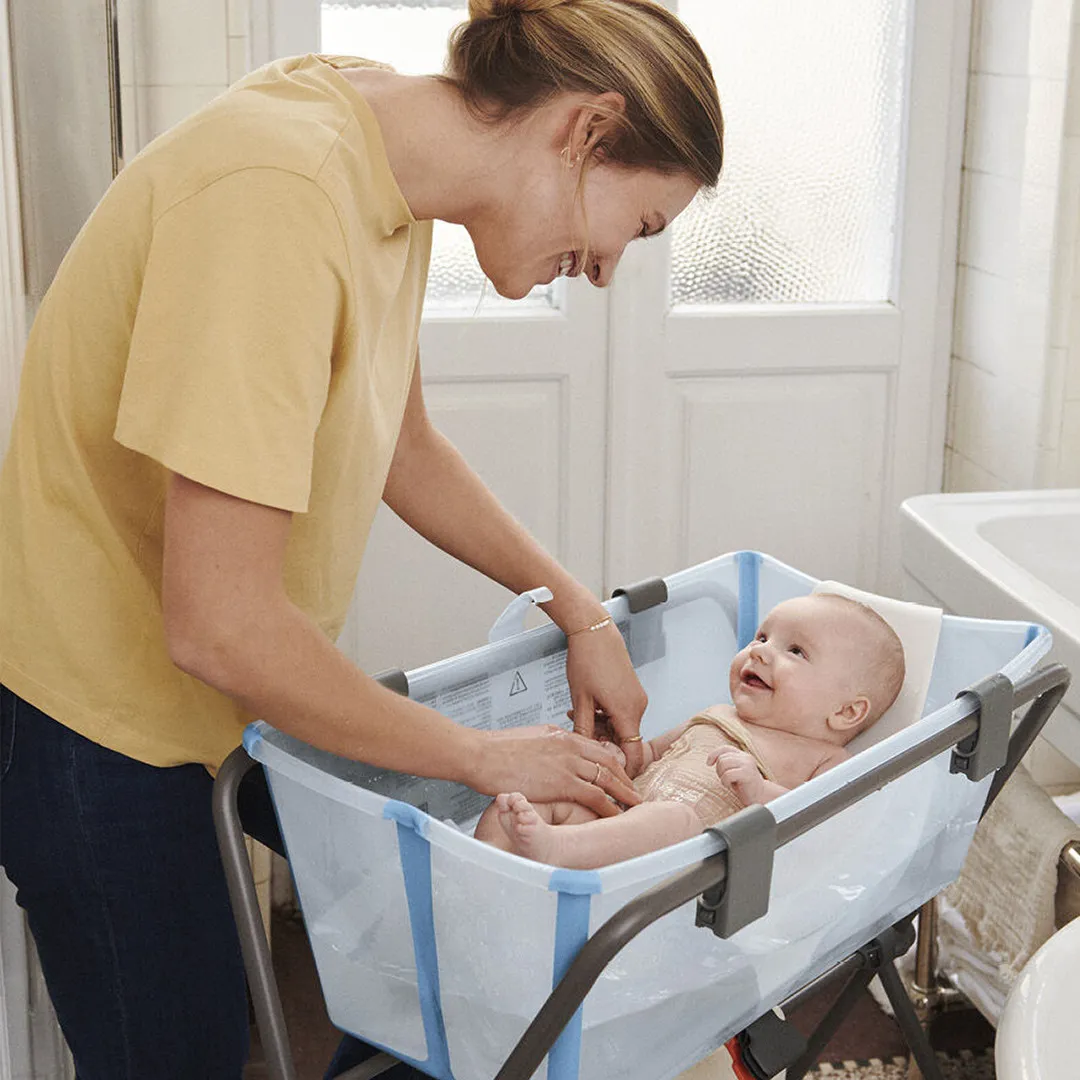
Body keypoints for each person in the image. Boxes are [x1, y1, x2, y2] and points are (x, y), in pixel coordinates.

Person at [0, 1, 723, 1077]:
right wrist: (483, 754)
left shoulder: (387, 159)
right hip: (97, 721)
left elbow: (402, 441)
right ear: (585, 129)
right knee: (184, 1051)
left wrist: (576, 608)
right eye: (642, 225)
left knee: (441, 945)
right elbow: (220, 623)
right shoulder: (278, 198)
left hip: (225, 695)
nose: (613, 268)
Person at [476, 593, 906, 868]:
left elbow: (833, 829)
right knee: (524, 802)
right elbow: (644, 759)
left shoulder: (824, 758)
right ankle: (489, 876)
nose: (760, 652)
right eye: (761, 637)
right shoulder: (716, 714)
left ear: (847, 712)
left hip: (686, 865)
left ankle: (555, 850)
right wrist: (613, 749)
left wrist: (761, 795)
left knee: (673, 818)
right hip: (616, 826)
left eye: (795, 651)